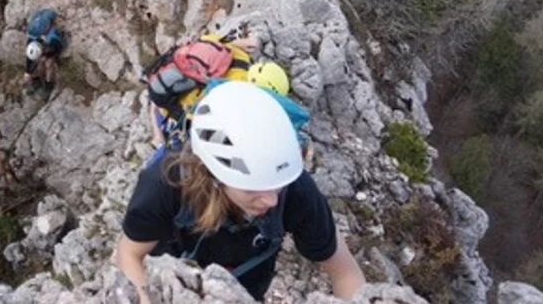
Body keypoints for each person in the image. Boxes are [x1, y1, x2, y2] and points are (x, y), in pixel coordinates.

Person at [117, 81, 365, 303]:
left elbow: (345, 273)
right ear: (214, 174)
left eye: (276, 185)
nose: (271, 199)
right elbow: (130, 253)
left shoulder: (295, 189)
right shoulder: (166, 185)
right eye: (253, 188)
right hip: (172, 284)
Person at [23, 8, 65, 96]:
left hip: (50, 48)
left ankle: (48, 85)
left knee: (48, 63)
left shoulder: (53, 37)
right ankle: (37, 80)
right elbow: (30, 55)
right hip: (42, 45)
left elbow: (58, 48)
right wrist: (27, 72)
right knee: (37, 62)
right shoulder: (33, 31)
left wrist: (46, 54)